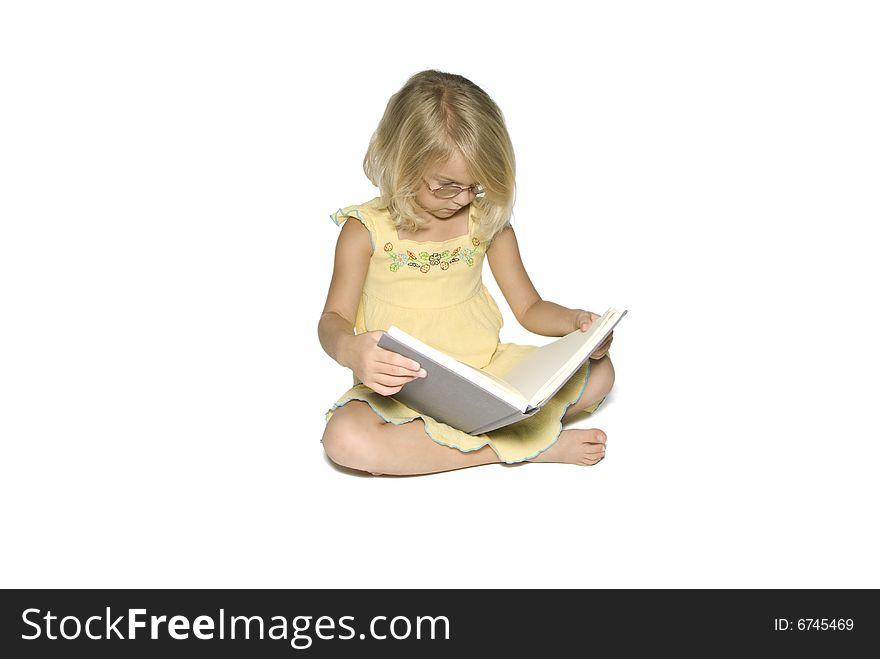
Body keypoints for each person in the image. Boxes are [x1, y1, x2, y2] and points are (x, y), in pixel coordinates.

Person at [318, 69, 616, 476]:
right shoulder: (364, 231)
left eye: (474, 187)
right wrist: (350, 350)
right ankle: (522, 446)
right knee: (345, 439)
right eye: (446, 186)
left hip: (487, 376)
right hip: (403, 390)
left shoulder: (485, 223)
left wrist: (578, 326)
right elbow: (332, 320)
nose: (461, 199)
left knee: (601, 373)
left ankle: (474, 436)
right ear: (402, 160)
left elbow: (529, 307)